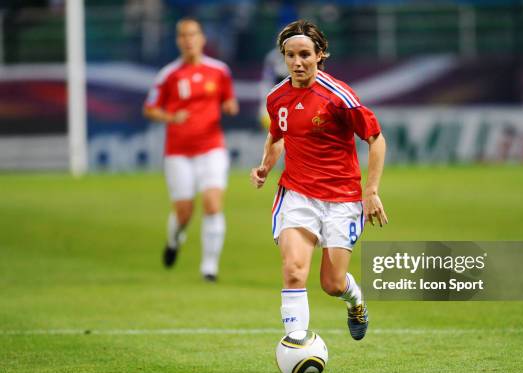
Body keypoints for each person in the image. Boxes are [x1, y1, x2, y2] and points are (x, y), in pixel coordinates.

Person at [250, 20, 388, 340]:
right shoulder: (276, 98)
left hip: (342, 198)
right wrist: (265, 166)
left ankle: (356, 302)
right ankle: (297, 345)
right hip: (296, 194)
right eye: (290, 55)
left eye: (304, 55)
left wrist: (371, 191)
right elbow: (277, 136)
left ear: (320, 54)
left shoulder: (338, 96)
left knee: (332, 284)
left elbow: (376, 139)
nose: (297, 62)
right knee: (294, 271)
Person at [143, 17, 239, 281]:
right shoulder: (168, 75)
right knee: (184, 212)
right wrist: (170, 118)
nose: (188, 40)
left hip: (211, 148)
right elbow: (150, 108)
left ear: (202, 39)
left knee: (212, 204)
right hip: (178, 152)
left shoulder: (219, 70)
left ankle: (209, 268)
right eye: (183, 35)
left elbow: (229, 99)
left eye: (193, 34)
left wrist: (230, 106)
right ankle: (174, 240)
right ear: (178, 41)